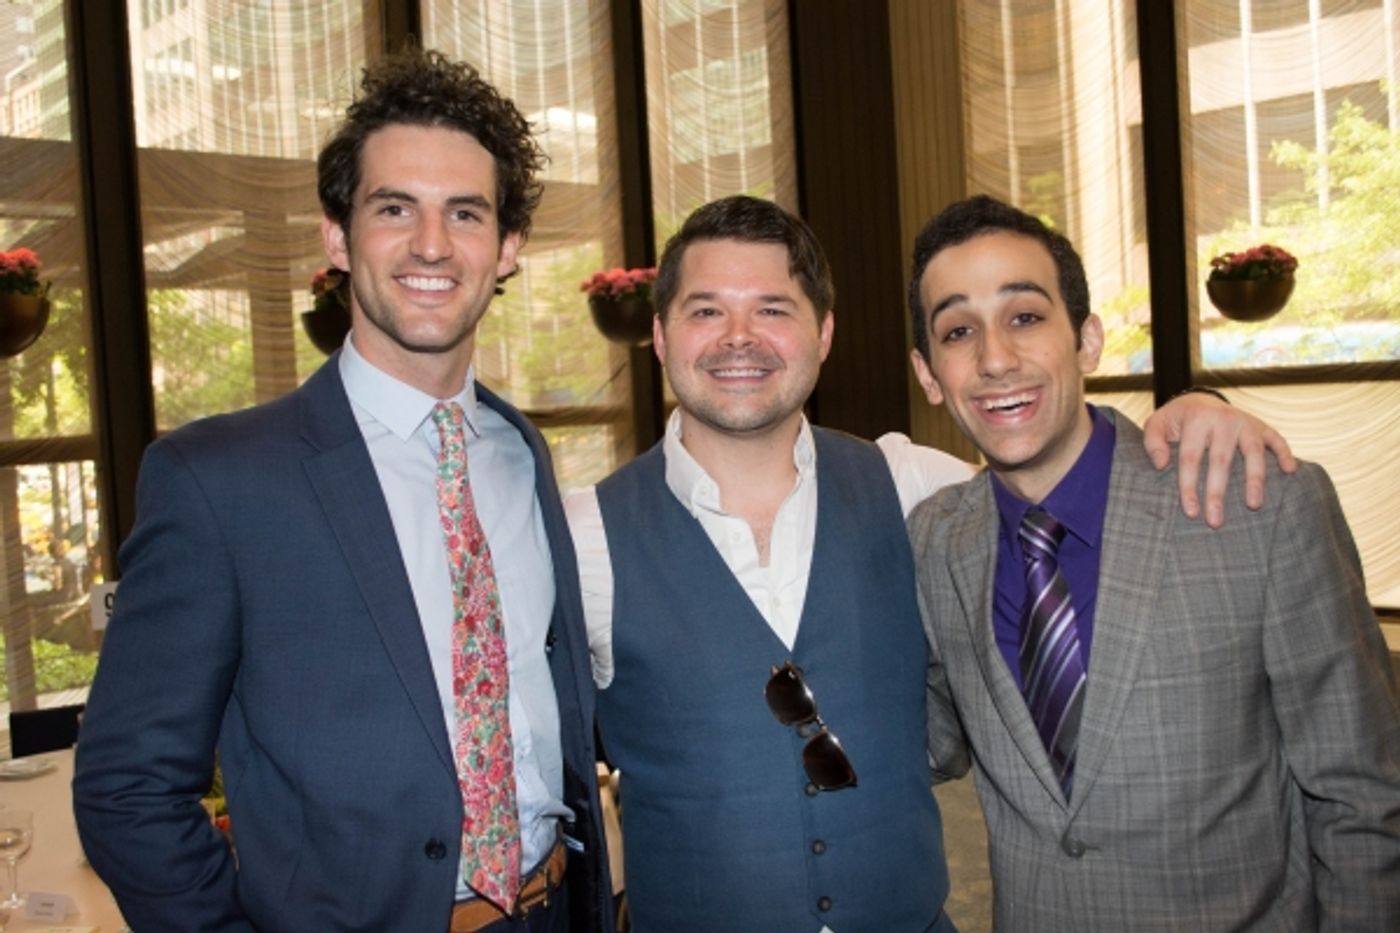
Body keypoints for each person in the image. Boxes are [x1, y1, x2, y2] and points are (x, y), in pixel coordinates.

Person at [563, 194, 1292, 931]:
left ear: (824, 333)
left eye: (773, 309)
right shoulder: (583, 534)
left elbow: (1070, 478)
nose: (739, 337)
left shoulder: (914, 487)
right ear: (660, 336)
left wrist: (1196, 409)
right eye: (706, 310)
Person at [73, 49, 614, 933]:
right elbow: (127, 786)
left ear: (507, 248)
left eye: (465, 212)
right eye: (394, 208)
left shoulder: (521, 454)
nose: (432, 243)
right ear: (337, 236)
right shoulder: (219, 482)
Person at [906, 194, 1400, 931]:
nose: (996, 358)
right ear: (928, 374)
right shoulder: (935, 540)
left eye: (1026, 317)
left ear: (1088, 340)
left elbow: (1363, 798)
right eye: (958, 331)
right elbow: (927, 738)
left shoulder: (1258, 506)